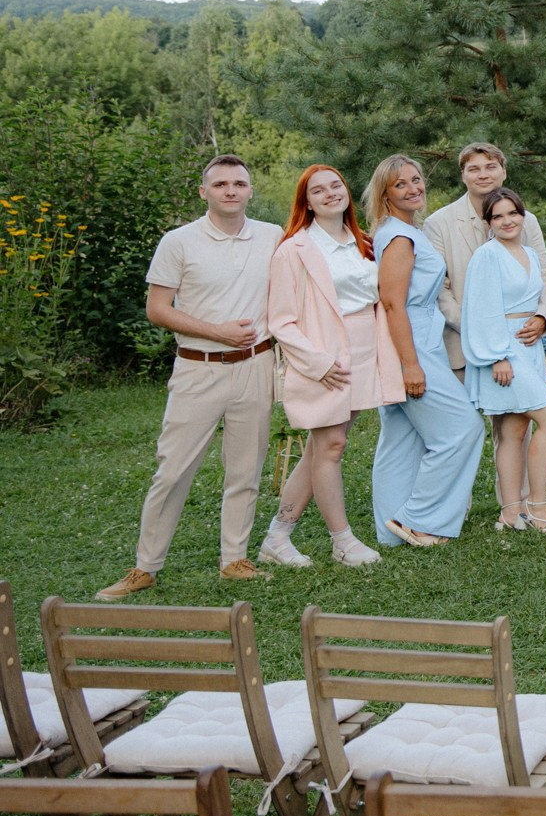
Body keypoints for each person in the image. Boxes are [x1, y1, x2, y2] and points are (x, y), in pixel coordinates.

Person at [96, 156, 283, 600]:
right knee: (173, 469)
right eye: (220, 184)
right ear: (204, 192)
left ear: (251, 191)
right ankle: (145, 566)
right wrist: (217, 331)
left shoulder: (273, 237)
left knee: (245, 469)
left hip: (256, 366)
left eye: (239, 183)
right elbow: (157, 309)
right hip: (199, 367)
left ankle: (234, 559)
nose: (231, 191)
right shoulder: (178, 242)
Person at [261, 164, 403, 568]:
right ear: (306, 201)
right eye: (317, 190)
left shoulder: (363, 243)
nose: (329, 194)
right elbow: (281, 320)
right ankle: (343, 541)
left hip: (364, 351)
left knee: (322, 449)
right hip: (325, 357)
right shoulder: (295, 249)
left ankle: (277, 536)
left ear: (346, 190)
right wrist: (318, 362)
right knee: (331, 446)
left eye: (335, 185)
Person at [424, 141, 546, 513]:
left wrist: (543, 318)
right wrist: (478, 331)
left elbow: (543, 272)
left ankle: (516, 504)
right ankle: (453, 508)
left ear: (503, 171)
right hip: (461, 342)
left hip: (522, 340)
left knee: (514, 426)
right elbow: (441, 288)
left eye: (491, 166)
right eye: (474, 168)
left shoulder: (524, 219)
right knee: (461, 429)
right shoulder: (440, 222)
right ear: (462, 175)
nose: (483, 174)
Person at [365, 155, 485, 549]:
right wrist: (411, 364)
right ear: (385, 193)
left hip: (419, 336)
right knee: (463, 428)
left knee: (401, 438)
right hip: (412, 342)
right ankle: (421, 520)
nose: (413, 188)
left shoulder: (400, 230)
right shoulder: (400, 237)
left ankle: (390, 530)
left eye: (416, 180)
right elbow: (394, 303)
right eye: (401, 184)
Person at [461, 187, 546, 534]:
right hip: (503, 350)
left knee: (515, 429)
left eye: (513, 214)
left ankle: (509, 512)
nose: (507, 221)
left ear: (523, 216)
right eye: (498, 216)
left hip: (530, 348)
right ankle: (537, 507)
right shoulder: (487, 256)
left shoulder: (531, 254)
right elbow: (480, 309)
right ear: (488, 222)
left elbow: (536, 301)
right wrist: (496, 358)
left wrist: (543, 353)